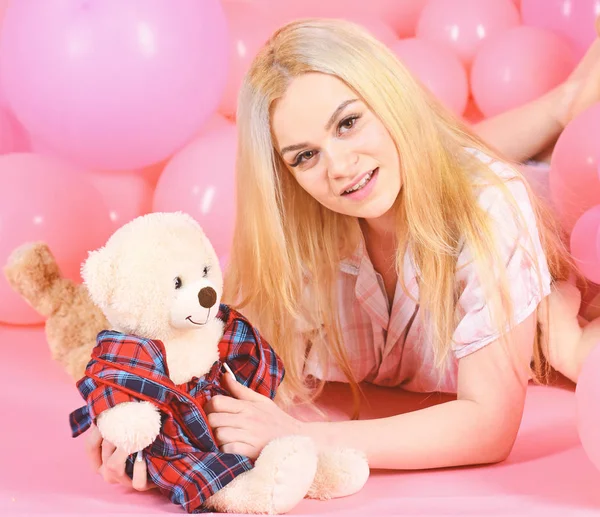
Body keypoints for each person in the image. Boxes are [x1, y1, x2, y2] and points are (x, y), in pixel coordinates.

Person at [85, 17, 600, 492]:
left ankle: (568, 103)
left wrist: (299, 438)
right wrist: (152, 421)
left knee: (562, 325)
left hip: (575, 214)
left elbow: (488, 426)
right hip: (453, 171)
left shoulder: (489, 207)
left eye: (348, 122)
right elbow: (208, 361)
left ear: (387, 99)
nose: (337, 166)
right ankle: (565, 102)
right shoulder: (298, 233)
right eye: (305, 156)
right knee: (429, 161)